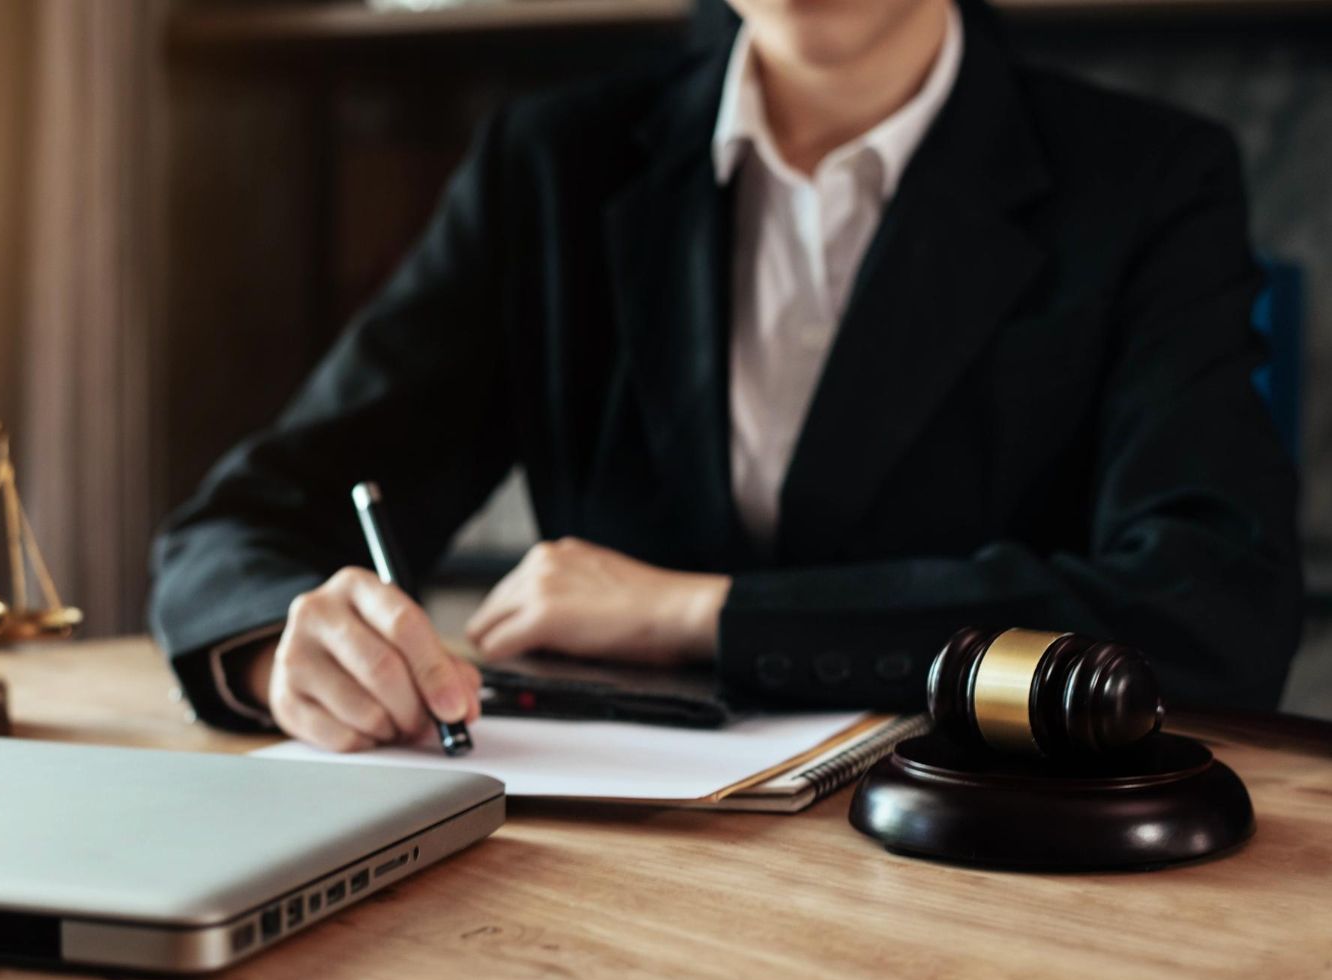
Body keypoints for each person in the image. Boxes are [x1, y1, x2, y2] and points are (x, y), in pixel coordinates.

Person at [150, 0, 1302, 750]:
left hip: (994, 859)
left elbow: (1213, 607)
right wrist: (278, 652)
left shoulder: (1146, 182)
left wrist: (700, 612)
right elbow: (237, 528)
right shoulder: (554, 165)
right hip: (606, 877)